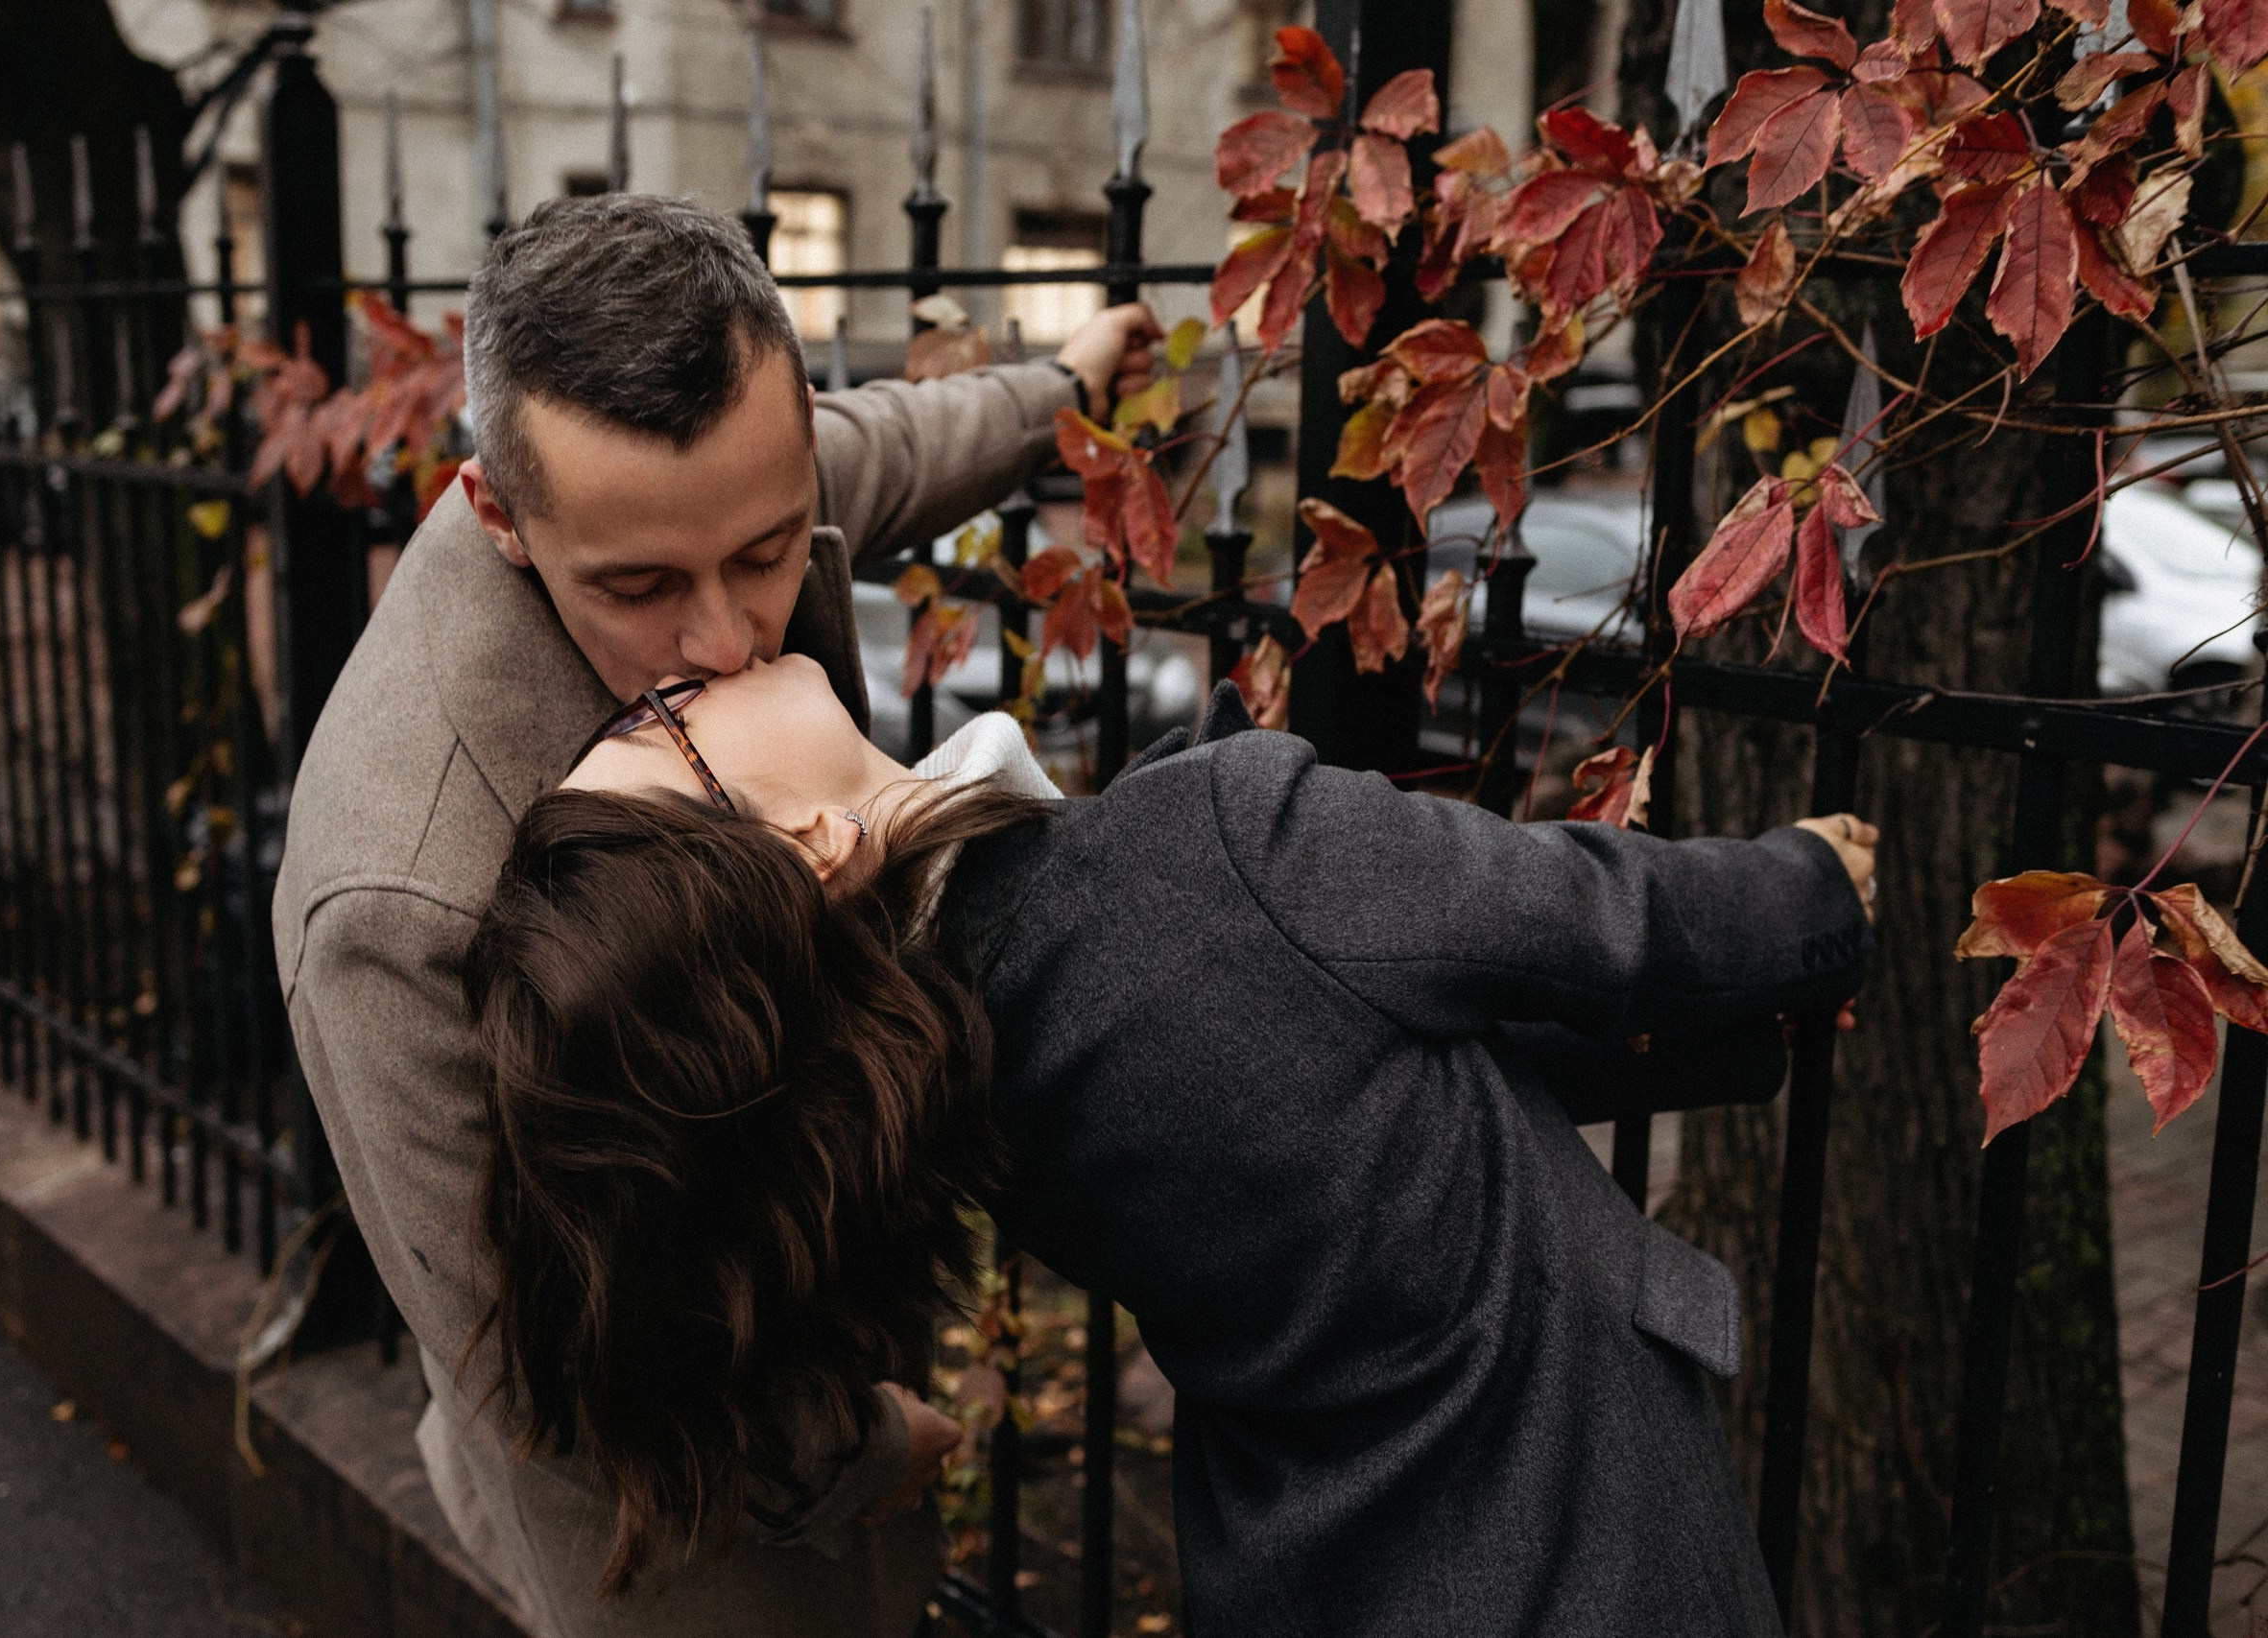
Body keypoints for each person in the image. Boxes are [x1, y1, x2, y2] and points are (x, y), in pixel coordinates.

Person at [465, 657, 1879, 1638]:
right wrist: (1813, 888)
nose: (696, 665)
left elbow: (1366, 1081)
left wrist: (1727, 1044)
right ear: (815, 843)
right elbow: (1594, 917)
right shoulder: (1208, 851)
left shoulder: (944, 1067)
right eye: (667, 720)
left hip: (1321, 1563)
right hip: (1569, 1538)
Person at [270, 193, 1160, 1637]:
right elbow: (529, 1357)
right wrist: (853, 1450)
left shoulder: (710, 497)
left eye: (763, 553)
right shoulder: (396, 888)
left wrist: (1063, 389)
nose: (729, 637)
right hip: (674, 1538)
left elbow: (882, 453)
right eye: (639, 588)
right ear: (500, 515)